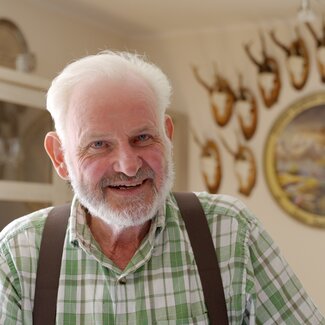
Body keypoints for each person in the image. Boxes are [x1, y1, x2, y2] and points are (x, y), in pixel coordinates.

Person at [0, 51, 324, 325]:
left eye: (142, 138)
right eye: (99, 144)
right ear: (59, 156)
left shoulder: (230, 231)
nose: (128, 165)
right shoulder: (19, 253)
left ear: (167, 136)